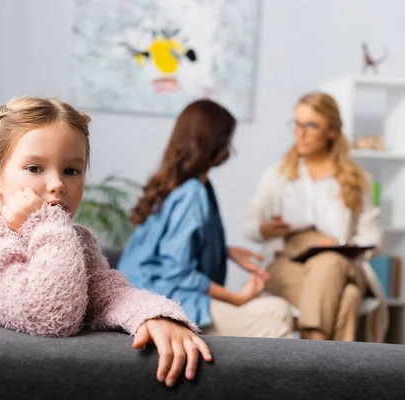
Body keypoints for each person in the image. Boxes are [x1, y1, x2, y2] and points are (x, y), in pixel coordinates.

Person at [0, 97, 212, 387]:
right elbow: (51, 314)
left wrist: (154, 316)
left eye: (71, 171)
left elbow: (108, 292)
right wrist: (45, 222)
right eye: (34, 168)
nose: (57, 184)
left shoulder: (72, 238)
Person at [117, 99, 294, 338]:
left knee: (280, 310)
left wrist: (225, 251)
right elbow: (177, 272)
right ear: (215, 143)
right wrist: (237, 298)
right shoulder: (192, 193)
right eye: (227, 139)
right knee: (277, 332)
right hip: (165, 300)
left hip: (171, 293)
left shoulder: (195, 185)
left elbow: (176, 248)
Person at [244, 92, 388, 342]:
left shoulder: (356, 178)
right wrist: (265, 229)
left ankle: (313, 352)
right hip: (286, 262)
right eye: (297, 124)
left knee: (329, 262)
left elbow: (372, 235)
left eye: (311, 125)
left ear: (332, 131)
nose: (300, 133)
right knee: (350, 296)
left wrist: (340, 248)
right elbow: (250, 226)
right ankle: (338, 376)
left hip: (340, 260)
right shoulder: (277, 175)